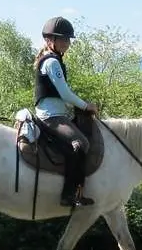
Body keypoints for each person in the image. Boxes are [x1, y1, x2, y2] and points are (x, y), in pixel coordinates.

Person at [33, 16, 99, 208]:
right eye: (63, 39)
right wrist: (87, 106)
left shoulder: (55, 60)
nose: (67, 43)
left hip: (58, 114)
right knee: (80, 143)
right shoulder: (52, 63)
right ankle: (69, 195)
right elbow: (65, 93)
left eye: (68, 40)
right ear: (49, 40)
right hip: (51, 117)